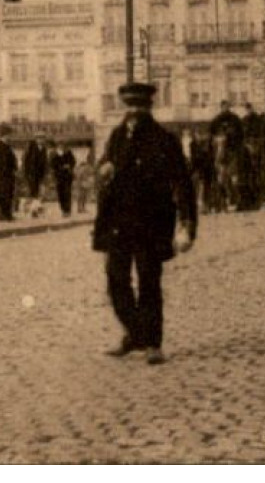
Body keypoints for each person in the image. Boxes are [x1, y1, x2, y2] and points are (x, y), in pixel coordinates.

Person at [93, 82, 198, 366]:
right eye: (129, 107)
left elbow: (183, 184)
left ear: (149, 108)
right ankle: (135, 333)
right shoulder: (116, 136)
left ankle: (152, 342)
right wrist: (102, 168)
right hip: (118, 222)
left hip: (152, 222)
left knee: (149, 282)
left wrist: (187, 223)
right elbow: (102, 165)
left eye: (139, 107)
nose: (134, 112)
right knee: (116, 281)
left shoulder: (165, 139)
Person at [51, 143, 75, 216]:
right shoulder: (54, 154)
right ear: (57, 146)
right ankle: (63, 210)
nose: (61, 146)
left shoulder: (68, 152)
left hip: (67, 177)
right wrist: (60, 167)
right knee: (60, 193)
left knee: (67, 193)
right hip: (58, 177)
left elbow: (73, 161)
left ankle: (68, 210)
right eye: (59, 145)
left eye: (62, 145)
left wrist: (69, 165)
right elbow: (52, 164)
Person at [0, 142, 18, 221]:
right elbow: (4, 164)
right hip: (5, 177)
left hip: (8, 176)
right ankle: (5, 215)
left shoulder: (8, 148)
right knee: (5, 196)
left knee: (8, 195)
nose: (9, 139)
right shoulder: (1, 148)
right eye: (6, 137)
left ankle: (6, 215)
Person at [22, 140, 47, 208]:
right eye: (39, 138)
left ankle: (34, 207)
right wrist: (26, 173)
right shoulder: (31, 149)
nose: (41, 139)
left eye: (42, 138)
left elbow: (45, 163)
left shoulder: (44, 149)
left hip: (39, 174)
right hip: (31, 174)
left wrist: (44, 173)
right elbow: (26, 162)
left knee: (37, 192)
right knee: (32, 191)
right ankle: (29, 207)